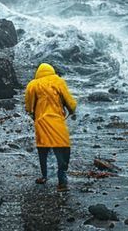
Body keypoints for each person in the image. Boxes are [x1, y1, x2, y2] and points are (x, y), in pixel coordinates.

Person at [24, 63, 78, 191]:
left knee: (43, 151)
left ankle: (44, 176)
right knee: (62, 151)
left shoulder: (32, 85)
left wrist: (33, 114)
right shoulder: (58, 81)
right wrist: (72, 110)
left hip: (41, 123)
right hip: (57, 122)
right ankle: (62, 182)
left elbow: (28, 106)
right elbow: (70, 102)